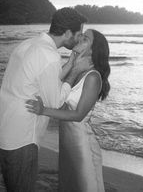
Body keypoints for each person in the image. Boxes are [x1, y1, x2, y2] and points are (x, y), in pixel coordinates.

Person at [0, 7, 88, 192]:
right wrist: (75, 71)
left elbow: (45, 78)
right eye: (79, 34)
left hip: (5, 129)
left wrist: (70, 62)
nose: (79, 38)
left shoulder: (30, 44)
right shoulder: (49, 56)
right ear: (68, 33)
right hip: (22, 139)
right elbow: (56, 102)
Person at [26, 29, 111, 192]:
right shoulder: (78, 71)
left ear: (93, 50)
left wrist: (43, 110)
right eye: (81, 36)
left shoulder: (92, 77)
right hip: (67, 139)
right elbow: (56, 88)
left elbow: (78, 115)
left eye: (85, 39)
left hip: (82, 142)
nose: (79, 39)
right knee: (69, 183)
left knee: (85, 185)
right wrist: (72, 62)